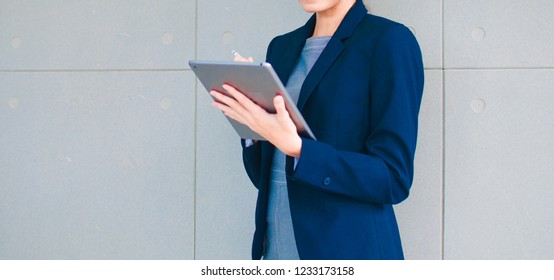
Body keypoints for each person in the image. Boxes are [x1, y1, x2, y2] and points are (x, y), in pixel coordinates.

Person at [210, 0, 424, 260]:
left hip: (347, 253)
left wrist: (299, 149)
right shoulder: (281, 47)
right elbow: (267, 178)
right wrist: (253, 129)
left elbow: (393, 178)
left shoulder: (389, 41)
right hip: (277, 249)